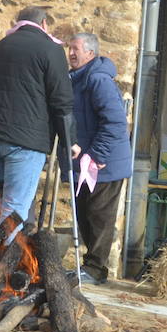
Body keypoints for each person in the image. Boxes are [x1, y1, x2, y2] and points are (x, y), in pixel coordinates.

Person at [0, 6, 79, 240]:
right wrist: (70, 141)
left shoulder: (0, 47)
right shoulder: (50, 49)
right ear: (44, 24)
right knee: (15, 208)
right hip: (26, 140)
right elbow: (61, 100)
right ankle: (1, 266)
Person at [66, 32, 132, 284]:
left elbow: (115, 122)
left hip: (105, 163)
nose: (71, 53)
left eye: (76, 49)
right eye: (70, 48)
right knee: (84, 212)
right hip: (88, 162)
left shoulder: (97, 80)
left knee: (98, 215)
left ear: (90, 54)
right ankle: (91, 267)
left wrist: (96, 155)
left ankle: (95, 270)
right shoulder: (78, 78)